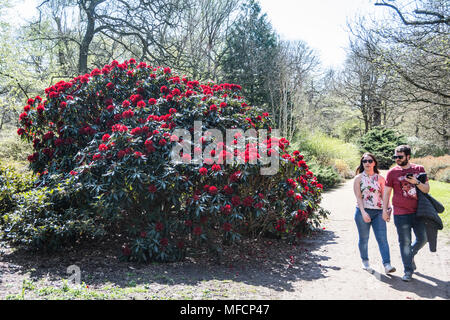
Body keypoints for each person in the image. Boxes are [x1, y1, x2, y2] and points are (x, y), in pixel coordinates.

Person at [382, 145, 429, 282]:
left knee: (423, 238)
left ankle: (411, 254)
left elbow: (426, 189)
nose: (397, 159)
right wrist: (385, 210)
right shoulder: (392, 173)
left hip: (419, 212)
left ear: (408, 156)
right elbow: (386, 192)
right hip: (401, 213)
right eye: (395, 156)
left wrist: (416, 182)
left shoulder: (419, 169)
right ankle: (408, 270)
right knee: (405, 242)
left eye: (400, 156)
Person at [353, 153, 396, 274]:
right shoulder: (358, 178)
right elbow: (358, 197)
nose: (367, 163)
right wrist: (363, 212)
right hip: (363, 211)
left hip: (379, 212)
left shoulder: (380, 178)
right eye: (364, 161)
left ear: (374, 163)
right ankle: (365, 261)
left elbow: (385, 195)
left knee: (382, 239)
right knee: (364, 238)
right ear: (362, 163)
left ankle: (387, 265)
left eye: (370, 161)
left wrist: (388, 209)